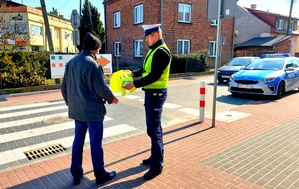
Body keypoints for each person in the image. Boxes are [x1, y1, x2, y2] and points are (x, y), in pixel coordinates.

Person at [61, 32, 119, 185]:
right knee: (95, 143)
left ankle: (76, 174)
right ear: (93, 49)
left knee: (78, 141)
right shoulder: (93, 65)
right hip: (93, 112)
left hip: (78, 112)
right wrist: (112, 98)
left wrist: (71, 104)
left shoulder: (71, 63)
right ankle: (100, 175)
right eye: (98, 49)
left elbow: (64, 88)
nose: (99, 52)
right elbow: (101, 89)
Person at [123, 24, 172, 180]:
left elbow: (154, 76)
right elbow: (146, 70)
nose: (146, 40)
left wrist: (134, 84)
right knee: (153, 128)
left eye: (148, 36)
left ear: (156, 35)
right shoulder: (154, 51)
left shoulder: (162, 52)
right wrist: (133, 73)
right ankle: (154, 157)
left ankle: (157, 166)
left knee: (154, 129)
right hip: (152, 94)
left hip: (156, 95)